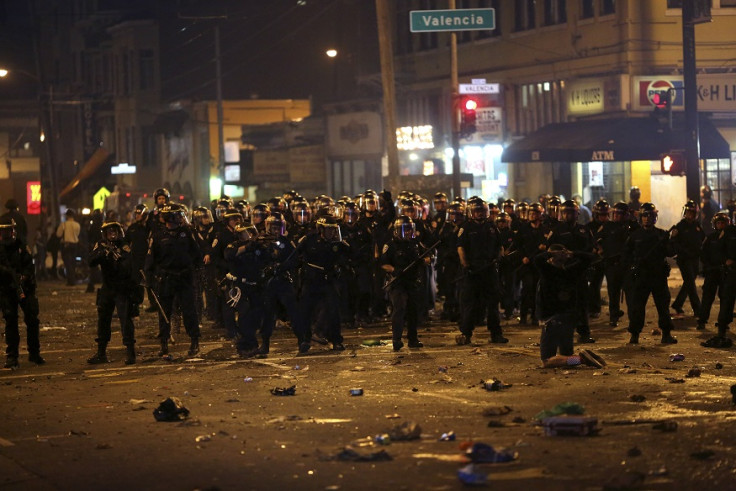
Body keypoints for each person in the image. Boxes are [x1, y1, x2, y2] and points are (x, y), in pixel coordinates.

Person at [144, 203, 202, 357]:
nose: (180, 218)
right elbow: (150, 258)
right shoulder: (157, 235)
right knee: (165, 313)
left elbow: (197, 253)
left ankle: (194, 341)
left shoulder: (187, 232)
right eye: (177, 215)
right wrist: (148, 278)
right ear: (169, 217)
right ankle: (164, 344)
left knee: (189, 310)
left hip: (185, 277)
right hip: (166, 278)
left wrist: (194, 269)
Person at [534, 245, 603, 368]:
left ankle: (581, 359)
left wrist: (551, 253)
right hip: (569, 318)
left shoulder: (548, 272)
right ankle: (582, 358)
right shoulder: (572, 272)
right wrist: (572, 253)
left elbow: (537, 259)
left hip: (552, 320)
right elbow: (590, 258)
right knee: (566, 356)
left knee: (547, 360)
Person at [622, 202, 678, 345]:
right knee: (637, 307)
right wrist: (631, 269)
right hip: (641, 276)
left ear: (655, 217)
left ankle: (666, 334)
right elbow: (626, 256)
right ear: (641, 217)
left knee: (663, 305)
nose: (647, 218)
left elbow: (671, 252)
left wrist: (671, 239)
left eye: (650, 215)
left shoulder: (661, 234)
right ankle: (634, 335)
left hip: (658, 275)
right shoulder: (634, 236)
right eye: (644, 215)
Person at [455, 199, 508, 345]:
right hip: (473, 270)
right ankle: (466, 333)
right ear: (472, 212)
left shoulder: (492, 227)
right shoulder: (466, 227)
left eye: (482, 211)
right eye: (477, 211)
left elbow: (500, 246)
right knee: (470, 304)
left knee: (493, 303)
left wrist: (498, 257)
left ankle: (496, 334)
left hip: (489, 270)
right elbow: (461, 248)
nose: (479, 213)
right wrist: (466, 265)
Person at [86, 222, 139, 365]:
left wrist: (118, 259)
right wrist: (103, 254)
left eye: (114, 231)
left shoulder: (124, 245)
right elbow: (91, 261)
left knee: (125, 320)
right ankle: (101, 353)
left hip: (122, 288)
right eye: (109, 232)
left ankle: (130, 352)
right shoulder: (101, 244)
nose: (112, 234)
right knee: (103, 320)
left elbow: (129, 265)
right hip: (107, 287)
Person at [0, 216, 44, 369]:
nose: (7, 233)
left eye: (9, 230)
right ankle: (12, 356)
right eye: (4, 231)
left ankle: (34, 353)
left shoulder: (22, 245)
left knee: (32, 319)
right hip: (6, 290)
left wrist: (23, 277)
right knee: (11, 322)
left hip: (25, 287)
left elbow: (30, 265)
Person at [380, 215, 426, 351]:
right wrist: (395, 270)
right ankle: (397, 339)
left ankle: (413, 339)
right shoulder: (390, 245)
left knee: (413, 310)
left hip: (412, 281)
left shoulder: (416, 243)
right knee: (399, 308)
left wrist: (424, 260)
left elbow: (426, 256)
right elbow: (383, 264)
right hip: (398, 282)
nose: (408, 232)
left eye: (410, 229)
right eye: (405, 230)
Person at [670, 200, 704, 316]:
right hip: (684, 259)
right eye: (688, 212)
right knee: (690, 283)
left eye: (692, 213)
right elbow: (674, 242)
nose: (690, 215)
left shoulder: (697, 225)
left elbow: (703, 238)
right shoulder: (681, 226)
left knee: (689, 282)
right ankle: (698, 309)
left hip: (695, 258)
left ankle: (678, 304)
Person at [697, 212, 730, 331]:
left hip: (725, 272)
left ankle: (723, 321)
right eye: (718, 223)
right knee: (707, 297)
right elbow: (703, 253)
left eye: (723, 223)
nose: (720, 225)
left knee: (725, 297)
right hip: (712, 271)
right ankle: (702, 320)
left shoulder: (730, 237)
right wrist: (707, 266)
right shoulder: (711, 238)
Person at [56, 209, 81, 286]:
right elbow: (77, 234)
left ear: (67, 216)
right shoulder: (77, 224)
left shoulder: (64, 224)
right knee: (73, 262)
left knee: (68, 263)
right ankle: (73, 279)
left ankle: (71, 280)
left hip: (66, 244)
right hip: (75, 244)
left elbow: (58, 234)